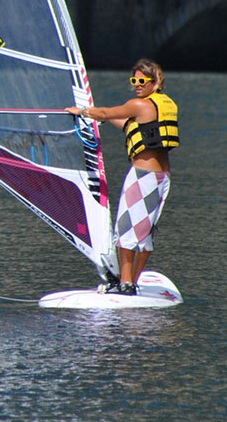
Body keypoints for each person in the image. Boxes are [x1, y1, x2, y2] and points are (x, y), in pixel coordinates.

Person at [66, 59, 178, 295]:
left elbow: (108, 112)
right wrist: (99, 117)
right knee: (145, 233)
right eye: (134, 80)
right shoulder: (162, 105)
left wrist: (83, 111)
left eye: (142, 81)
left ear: (155, 82)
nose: (137, 85)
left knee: (126, 230)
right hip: (161, 178)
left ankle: (125, 284)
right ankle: (131, 281)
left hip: (143, 177)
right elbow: (126, 123)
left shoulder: (139, 105)